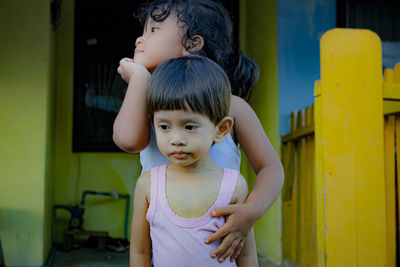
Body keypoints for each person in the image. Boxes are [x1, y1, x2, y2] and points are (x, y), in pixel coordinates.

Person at [114, 0, 284, 263]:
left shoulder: (231, 107)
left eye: (154, 30)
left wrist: (251, 211)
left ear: (193, 43)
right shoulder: (149, 104)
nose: (140, 39)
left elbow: (271, 168)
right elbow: (127, 140)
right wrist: (140, 79)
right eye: (143, 31)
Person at [130, 55, 258, 267]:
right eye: (164, 127)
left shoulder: (234, 185)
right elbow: (140, 251)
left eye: (189, 127)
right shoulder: (148, 185)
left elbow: (246, 256)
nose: (176, 140)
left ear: (221, 129)